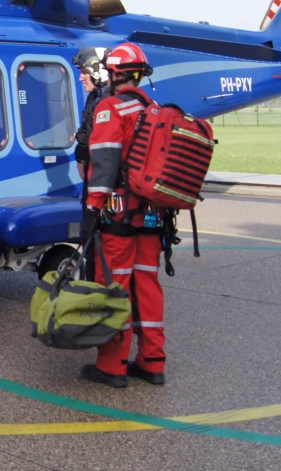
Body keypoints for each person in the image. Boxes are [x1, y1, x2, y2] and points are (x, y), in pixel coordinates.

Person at [80, 42, 166, 388]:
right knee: (147, 284)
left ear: (114, 73)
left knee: (113, 286)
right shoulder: (154, 109)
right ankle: (153, 360)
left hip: (119, 216)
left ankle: (112, 366)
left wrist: (92, 209)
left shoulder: (110, 109)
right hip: (154, 215)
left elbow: (103, 165)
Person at [72, 47, 108, 282]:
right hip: (92, 181)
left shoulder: (106, 102)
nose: (80, 76)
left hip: (101, 186)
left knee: (99, 240)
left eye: (84, 71)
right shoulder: (95, 98)